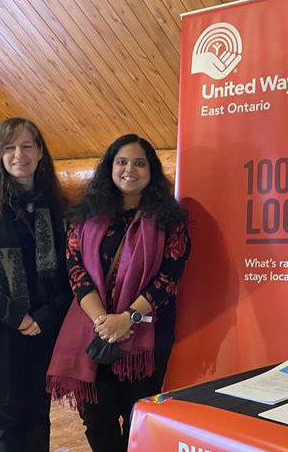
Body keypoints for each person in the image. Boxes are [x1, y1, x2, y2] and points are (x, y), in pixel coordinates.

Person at [46, 134, 190, 451]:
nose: (129, 170)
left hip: (146, 336)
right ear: (110, 167)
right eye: (122, 162)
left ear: (151, 171)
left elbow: (169, 276)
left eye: (139, 163)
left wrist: (127, 318)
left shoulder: (170, 221)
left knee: (138, 418)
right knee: (97, 420)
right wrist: (104, 322)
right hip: (93, 331)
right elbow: (75, 270)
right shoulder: (84, 216)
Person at [0, 118, 70, 452]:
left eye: (27, 146)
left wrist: (43, 318)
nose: (19, 154)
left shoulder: (57, 205)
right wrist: (17, 316)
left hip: (44, 331)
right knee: (6, 427)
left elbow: (70, 271)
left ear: (40, 152)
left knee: (39, 419)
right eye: (9, 147)